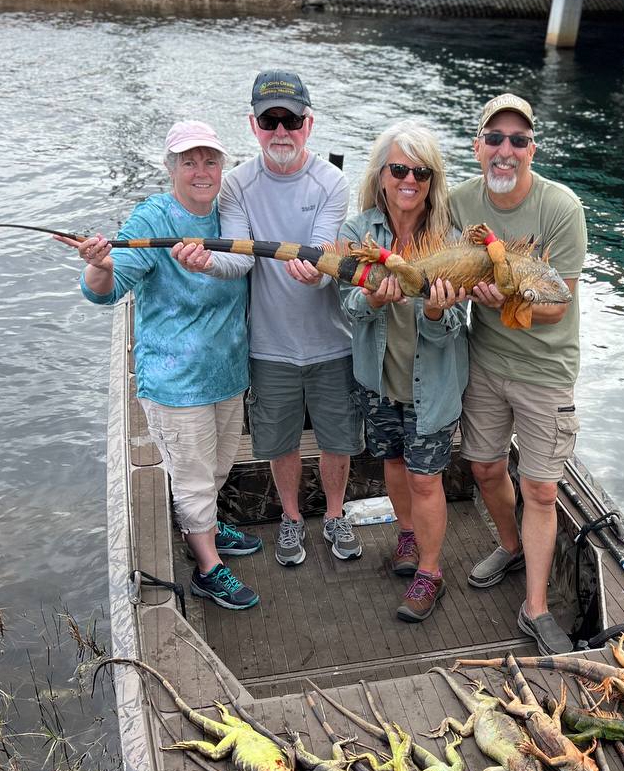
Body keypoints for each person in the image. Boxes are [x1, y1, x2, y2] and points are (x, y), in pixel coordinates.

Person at [56, 121, 260, 611]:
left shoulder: (230, 212)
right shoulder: (152, 220)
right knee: (191, 475)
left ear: (222, 166)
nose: (201, 171)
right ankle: (208, 566)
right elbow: (104, 290)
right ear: (171, 168)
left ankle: (206, 522)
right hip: (175, 380)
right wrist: (99, 264)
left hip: (228, 371)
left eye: (210, 160)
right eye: (188, 161)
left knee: (218, 464)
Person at [179, 71, 363, 569]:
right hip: (269, 347)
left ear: (309, 123)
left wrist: (317, 275)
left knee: (338, 441)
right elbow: (238, 258)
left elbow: (325, 255)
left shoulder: (333, 182)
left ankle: (335, 514)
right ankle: (290, 519)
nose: (281, 131)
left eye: (292, 120)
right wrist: (206, 260)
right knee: (279, 443)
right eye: (269, 120)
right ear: (254, 125)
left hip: (332, 343)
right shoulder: (235, 185)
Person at [449, 93, 587, 655]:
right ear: (478, 145)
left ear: (533, 148)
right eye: (496, 139)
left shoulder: (561, 208)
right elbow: (450, 271)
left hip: (544, 369)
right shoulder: (460, 202)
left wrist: (500, 290)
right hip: (485, 360)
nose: (506, 151)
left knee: (541, 487)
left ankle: (535, 606)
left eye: (519, 140)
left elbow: (556, 304)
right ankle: (510, 545)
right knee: (483, 468)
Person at [340, 122, 467, 623]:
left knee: (425, 479)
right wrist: (372, 298)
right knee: (393, 463)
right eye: (399, 169)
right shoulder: (358, 232)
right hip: (379, 378)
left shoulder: (450, 240)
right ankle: (407, 536)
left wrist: (435, 312)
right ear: (382, 175)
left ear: (433, 181)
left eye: (421, 171)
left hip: (431, 386)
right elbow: (347, 306)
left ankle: (430, 573)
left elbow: (457, 322)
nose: (409, 179)